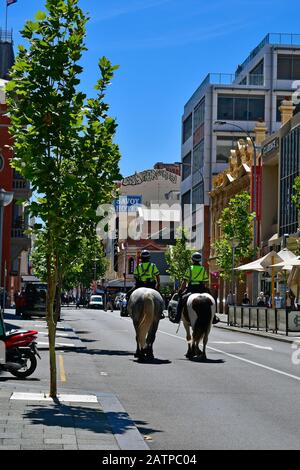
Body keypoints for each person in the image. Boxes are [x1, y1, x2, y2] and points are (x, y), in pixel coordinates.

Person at [174, 252, 220, 324]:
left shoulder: (189, 269)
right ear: (199, 260)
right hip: (201, 288)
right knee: (212, 299)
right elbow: (205, 281)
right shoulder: (202, 269)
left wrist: (181, 290)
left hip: (191, 288)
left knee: (181, 300)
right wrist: (206, 288)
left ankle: (177, 317)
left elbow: (184, 281)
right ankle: (213, 317)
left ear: (192, 260)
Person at [125, 250, 162, 316]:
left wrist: (139, 281)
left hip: (140, 285)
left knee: (128, 295)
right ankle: (161, 312)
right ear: (149, 258)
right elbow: (157, 275)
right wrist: (158, 284)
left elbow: (135, 276)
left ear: (141, 258)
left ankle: (126, 309)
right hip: (151, 285)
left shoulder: (139, 266)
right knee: (160, 297)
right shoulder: (153, 266)